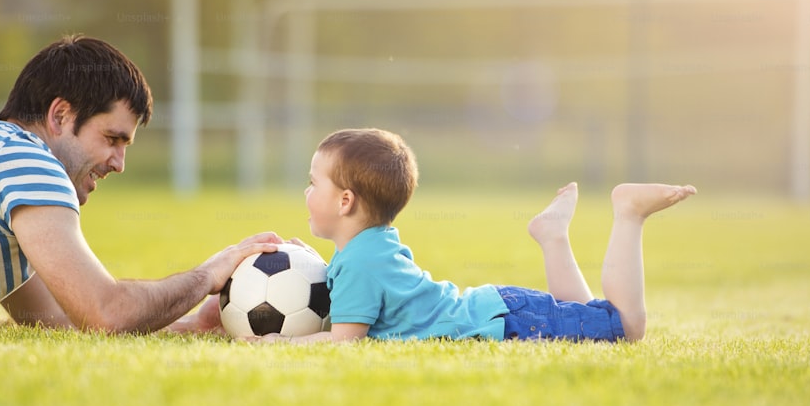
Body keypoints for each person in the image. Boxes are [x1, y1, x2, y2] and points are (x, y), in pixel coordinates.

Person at [0, 35, 280, 332]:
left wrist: (193, 325)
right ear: (60, 116)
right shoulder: (28, 163)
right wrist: (207, 275)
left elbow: (57, 318)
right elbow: (106, 313)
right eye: (112, 139)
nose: (119, 163)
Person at [258, 127, 697, 343]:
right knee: (585, 314)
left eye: (314, 182)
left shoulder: (360, 261)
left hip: (511, 322)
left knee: (625, 327)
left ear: (345, 202)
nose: (306, 189)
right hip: (504, 310)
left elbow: (343, 343)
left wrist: (277, 343)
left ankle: (628, 214)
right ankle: (552, 237)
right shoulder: (368, 247)